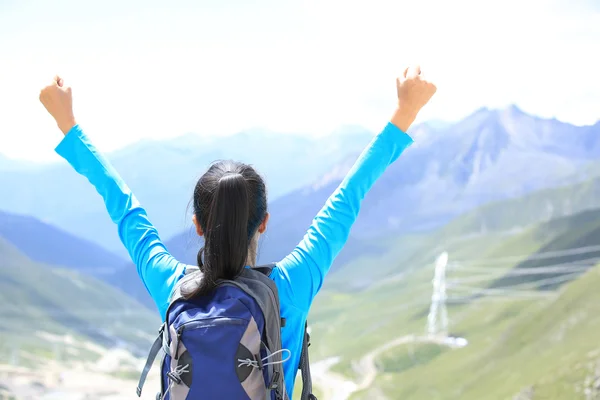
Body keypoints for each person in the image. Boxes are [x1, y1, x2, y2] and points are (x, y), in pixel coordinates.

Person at [38, 66, 436, 398]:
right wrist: (404, 112)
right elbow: (348, 198)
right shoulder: (291, 285)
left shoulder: (172, 287)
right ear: (263, 222)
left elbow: (125, 210)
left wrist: (68, 125)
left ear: (196, 224)